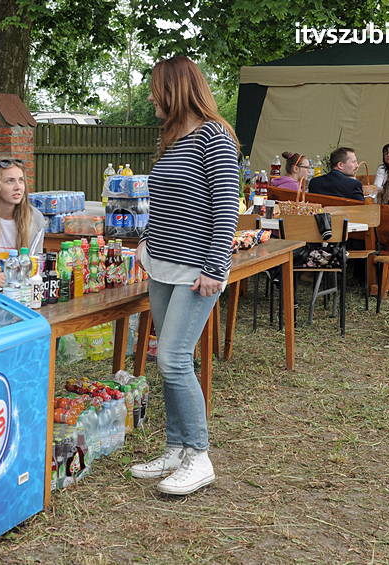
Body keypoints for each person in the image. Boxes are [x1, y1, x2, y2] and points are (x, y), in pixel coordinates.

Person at [130, 56, 240, 496]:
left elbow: (226, 208)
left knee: (174, 359)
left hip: (197, 271)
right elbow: (167, 202)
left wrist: (215, 268)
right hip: (162, 265)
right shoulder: (174, 139)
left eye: (156, 89)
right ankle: (175, 448)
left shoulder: (215, 136)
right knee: (170, 358)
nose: (151, 97)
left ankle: (199, 456)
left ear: (175, 90)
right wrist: (145, 241)